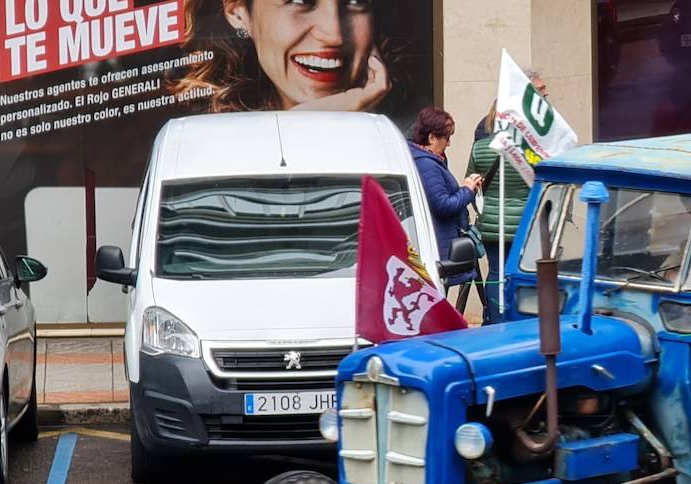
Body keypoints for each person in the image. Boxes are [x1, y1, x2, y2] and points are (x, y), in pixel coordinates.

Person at [169, 0, 393, 113]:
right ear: (238, 12)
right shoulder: (202, 140)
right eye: (299, 1)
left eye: (354, 1)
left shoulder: (406, 137)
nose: (334, 35)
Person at [465, 72, 547, 323]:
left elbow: (471, 182)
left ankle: (495, 320)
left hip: (491, 224)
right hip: (524, 224)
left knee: (496, 272)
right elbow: (542, 183)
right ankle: (521, 321)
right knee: (525, 273)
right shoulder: (529, 150)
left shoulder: (480, 147)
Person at [410, 107, 482, 263]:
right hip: (440, 244)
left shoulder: (428, 159)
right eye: (446, 138)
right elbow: (442, 205)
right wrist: (467, 190)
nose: (449, 144)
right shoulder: (426, 164)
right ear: (432, 138)